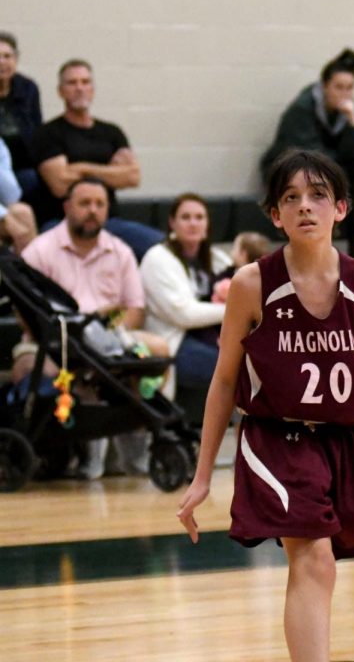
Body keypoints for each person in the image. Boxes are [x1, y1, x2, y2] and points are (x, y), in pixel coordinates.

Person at [175, 150, 354, 662]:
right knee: (315, 561)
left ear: (341, 207)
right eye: (291, 198)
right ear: (275, 215)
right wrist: (203, 474)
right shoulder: (253, 284)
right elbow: (224, 381)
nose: (305, 206)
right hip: (278, 440)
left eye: (317, 195)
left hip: (350, 438)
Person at [17, 177, 169, 477]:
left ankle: (134, 446)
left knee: (157, 349)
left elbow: (134, 309)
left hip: (109, 336)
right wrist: (68, 339)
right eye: (85, 203)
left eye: (99, 204)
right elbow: (26, 315)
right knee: (35, 365)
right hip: (49, 340)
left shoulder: (120, 250)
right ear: (67, 207)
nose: (92, 211)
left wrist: (107, 333)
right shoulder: (39, 251)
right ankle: (83, 450)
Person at [260, 49, 354, 245]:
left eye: (350, 88)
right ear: (325, 87)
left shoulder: (352, 111)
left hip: (328, 169)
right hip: (287, 167)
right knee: (344, 174)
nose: (345, 94)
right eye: (339, 87)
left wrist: (352, 126)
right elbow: (307, 156)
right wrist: (343, 162)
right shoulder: (302, 108)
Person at [32, 59, 163, 258]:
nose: (79, 88)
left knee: (162, 248)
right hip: (62, 222)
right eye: (72, 83)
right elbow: (59, 184)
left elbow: (132, 177)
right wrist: (110, 170)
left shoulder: (111, 132)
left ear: (93, 89)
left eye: (85, 82)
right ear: (60, 91)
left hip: (109, 222)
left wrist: (81, 168)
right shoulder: (48, 134)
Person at [139, 193, 231, 400]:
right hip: (174, 342)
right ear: (172, 223)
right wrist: (235, 310)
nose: (193, 223)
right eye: (186, 217)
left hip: (208, 336)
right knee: (235, 366)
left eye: (199, 217)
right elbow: (185, 314)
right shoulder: (158, 258)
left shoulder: (216, 258)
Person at [0, 31, 44, 199]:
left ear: (16, 59)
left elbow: (36, 129)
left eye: (7, 56)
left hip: (22, 166)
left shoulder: (27, 88)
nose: (2, 62)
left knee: (34, 180)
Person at [212, 230, 272, 304]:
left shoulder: (259, 277)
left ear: (243, 254)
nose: (232, 250)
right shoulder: (230, 271)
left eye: (234, 247)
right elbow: (215, 282)